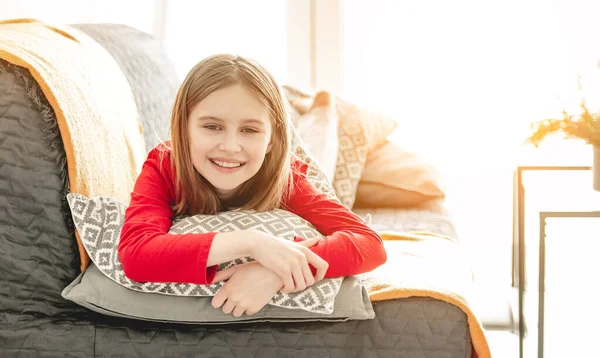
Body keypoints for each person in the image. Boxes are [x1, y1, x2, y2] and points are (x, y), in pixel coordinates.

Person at [118, 54, 387, 318]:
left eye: (249, 130)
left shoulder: (287, 180)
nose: (230, 146)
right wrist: (253, 244)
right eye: (212, 126)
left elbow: (370, 244)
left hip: (291, 162)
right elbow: (136, 253)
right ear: (183, 129)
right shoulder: (164, 166)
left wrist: (275, 270)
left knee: (326, 162)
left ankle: (323, 112)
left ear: (271, 140)